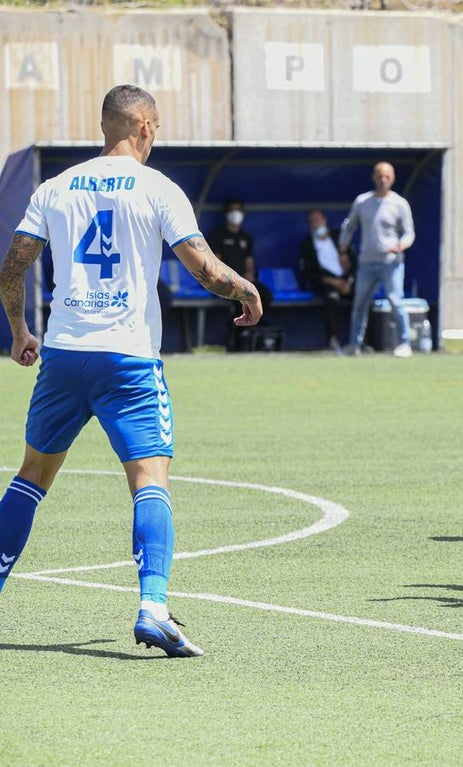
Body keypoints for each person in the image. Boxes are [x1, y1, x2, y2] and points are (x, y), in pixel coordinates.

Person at [0, 84, 262, 656]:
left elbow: (13, 265)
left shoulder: (55, 186)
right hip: (128, 360)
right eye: (157, 128)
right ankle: (153, 608)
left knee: (30, 478)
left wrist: (21, 331)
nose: (156, 137)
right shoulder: (157, 188)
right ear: (142, 125)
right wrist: (244, 289)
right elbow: (204, 269)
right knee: (149, 481)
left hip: (65, 357)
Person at [339, 161, 416, 357]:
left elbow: (409, 233)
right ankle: (353, 345)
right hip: (366, 262)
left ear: (393, 178)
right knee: (360, 304)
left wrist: (401, 245)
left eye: (387, 176)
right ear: (373, 177)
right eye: (380, 176)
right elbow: (349, 226)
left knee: (395, 301)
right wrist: (343, 248)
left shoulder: (400, 204)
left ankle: (404, 343)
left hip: (391, 263)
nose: (383, 180)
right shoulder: (363, 201)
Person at [206, 198, 272, 351]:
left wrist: (249, 276)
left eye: (238, 210)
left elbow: (249, 264)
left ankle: (255, 329)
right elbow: (215, 263)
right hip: (225, 280)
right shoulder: (217, 235)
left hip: (243, 281)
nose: (235, 214)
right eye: (232, 210)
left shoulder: (246, 238)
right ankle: (238, 333)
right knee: (238, 297)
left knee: (265, 294)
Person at [299, 208, 353, 354]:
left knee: (363, 296)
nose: (316, 224)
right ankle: (332, 339)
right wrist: (332, 282)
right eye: (312, 222)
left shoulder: (339, 238)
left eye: (318, 220)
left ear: (325, 221)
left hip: (347, 282)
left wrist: (349, 281)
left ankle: (361, 340)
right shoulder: (307, 245)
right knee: (332, 298)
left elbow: (353, 263)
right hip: (326, 284)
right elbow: (308, 274)